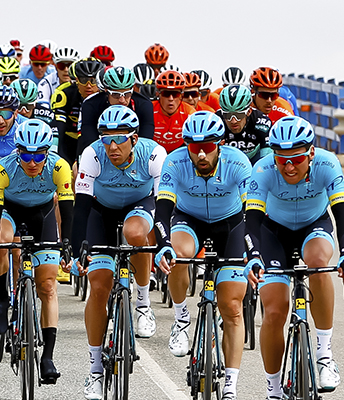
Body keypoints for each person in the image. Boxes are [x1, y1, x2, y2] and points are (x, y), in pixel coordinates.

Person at [153, 111, 252, 400]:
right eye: (194, 148)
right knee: (179, 255)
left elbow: (252, 212)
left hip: (231, 224)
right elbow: (163, 208)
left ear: (220, 143)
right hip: (189, 219)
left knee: (232, 308)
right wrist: (164, 244)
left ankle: (231, 385)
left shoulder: (238, 162)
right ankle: (181, 317)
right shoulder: (175, 161)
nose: (200, 154)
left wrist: (252, 248)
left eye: (207, 147)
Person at [245, 116, 344, 398]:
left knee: (319, 264)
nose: (288, 166)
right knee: (275, 311)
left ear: (311, 153)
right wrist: (253, 255)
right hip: (272, 232)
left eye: (297, 159)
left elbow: (341, 212)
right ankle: (273, 389)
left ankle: (324, 355)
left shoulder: (327, 164)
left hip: (314, 226)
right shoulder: (263, 169)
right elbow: (251, 220)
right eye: (282, 159)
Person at [73, 105, 166, 399]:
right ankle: (95, 370)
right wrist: (77, 250)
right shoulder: (92, 154)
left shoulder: (154, 155)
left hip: (139, 207)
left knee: (136, 233)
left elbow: (164, 204)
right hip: (100, 212)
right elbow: (82, 207)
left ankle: (141, 302)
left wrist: (164, 244)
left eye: (119, 139)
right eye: (106, 139)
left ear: (134, 139)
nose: (112, 147)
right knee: (99, 286)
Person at [0, 119, 73, 383]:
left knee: (47, 286)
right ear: (17, 151)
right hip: (10, 211)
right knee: (3, 238)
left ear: (48, 152)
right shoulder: (2, 169)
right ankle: (2, 297)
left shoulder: (59, 167)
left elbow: (67, 212)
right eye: (26, 154)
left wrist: (66, 244)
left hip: (42, 215)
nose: (32, 161)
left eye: (38, 155)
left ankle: (47, 356)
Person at [78, 66, 155, 162]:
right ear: (106, 91)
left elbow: (145, 144)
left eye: (127, 94)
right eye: (115, 94)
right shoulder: (91, 105)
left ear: (133, 90)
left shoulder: (144, 105)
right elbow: (88, 142)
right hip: (103, 153)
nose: (122, 100)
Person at [50, 58, 103, 166]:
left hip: (96, 141)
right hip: (68, 141)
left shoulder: (105, 98)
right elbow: (59, 128)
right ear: (77, 80)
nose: (88, 85)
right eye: (84, 80)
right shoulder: (65, 94)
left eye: (93, 81)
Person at [216, 85, 272, 164]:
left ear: (249, 112)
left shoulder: (261, 122)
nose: (233, 121)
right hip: (227, 162)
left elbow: (267, 160)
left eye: (239, 115)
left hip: (254, 159)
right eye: (227, 115)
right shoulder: (216, 121)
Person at [152, 70, 196, 153]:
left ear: (181, 96)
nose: (171, 99)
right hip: (154, 151)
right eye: (166, 94)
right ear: (158, 94)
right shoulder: (149, 109)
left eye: (175, 94)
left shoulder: (189, 112)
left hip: (179, 150)